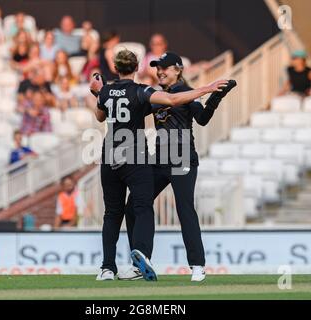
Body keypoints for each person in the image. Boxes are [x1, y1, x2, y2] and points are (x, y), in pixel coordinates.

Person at [89, 49, 229, 281]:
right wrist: (105, 94)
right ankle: (139, 263)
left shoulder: (184, 91)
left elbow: (202, 118)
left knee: (184, 210)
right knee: (134, 206)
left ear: (178, 70)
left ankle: (197, 265)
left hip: (181, 156)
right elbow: (127, 106)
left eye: (165, 67)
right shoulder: (154, 93)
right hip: (159, 158)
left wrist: (213, 95)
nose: (160, 71)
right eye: (157, 67)